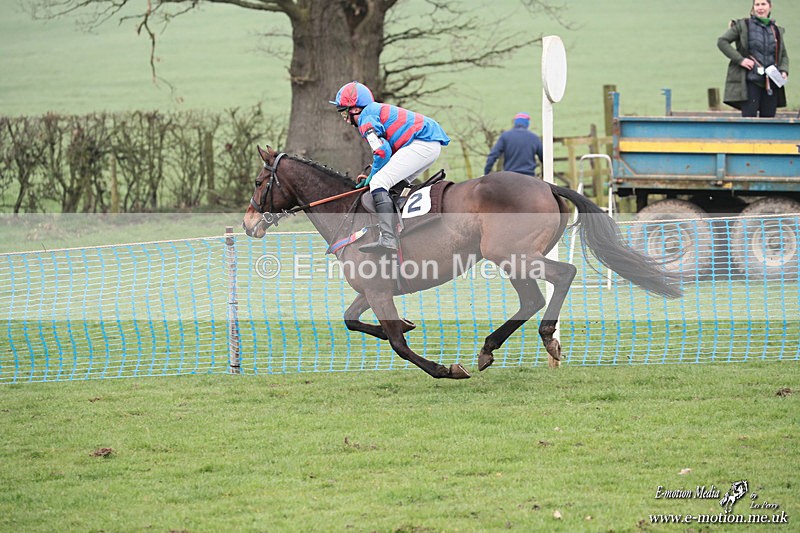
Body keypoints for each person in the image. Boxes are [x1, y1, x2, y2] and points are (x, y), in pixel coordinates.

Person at [329, 81, 450, 255]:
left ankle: (388, 238)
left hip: (422, 144)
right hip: (428, 144)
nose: (345, 119)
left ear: (355, 109)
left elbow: (382, 151)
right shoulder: (373, 111)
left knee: (379, 182)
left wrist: (373, 175)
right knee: (394, 184)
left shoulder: (366, 120)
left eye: (344, 113)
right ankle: (404, 229)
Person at [717, 0, 789, 117]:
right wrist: (741, 60)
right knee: (749, 121)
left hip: (771, 82)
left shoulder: (776, 30)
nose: (760, 8)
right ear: (753, 7)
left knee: (769, 122)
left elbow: (783, 55)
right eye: (757, 4)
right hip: (750, 81)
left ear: (770, 7)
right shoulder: (743, 25)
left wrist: (784, 71)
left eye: (763, 4)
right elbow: (722, 42)